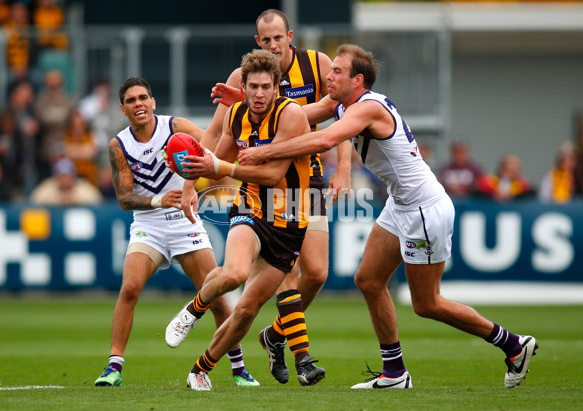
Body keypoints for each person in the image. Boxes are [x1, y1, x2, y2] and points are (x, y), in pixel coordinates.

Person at [237, 44, 538, 389]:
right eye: (329, 69)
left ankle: (513, 345)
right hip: (401, 204)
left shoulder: (367, 108)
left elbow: (325, 139)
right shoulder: (343, 103)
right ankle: (394, 372)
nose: (328, 75)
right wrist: (251, 104)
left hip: (424, 209)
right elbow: (300, 115)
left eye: (337, 71)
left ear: (358, 79)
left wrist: (265, 150)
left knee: (427, 304)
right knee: (367, 280)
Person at [200, 9, 352, 385]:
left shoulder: (318, 64)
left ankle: (273, 336)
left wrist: (344, 168)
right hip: (262, 185)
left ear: (290, 36)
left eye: (277, 38)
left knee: (316, 273)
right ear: (257, 42)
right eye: (265, 40)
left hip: (308, 180)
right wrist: (193, 178)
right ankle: (301, 359)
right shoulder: (244, 76)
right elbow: (221, 130)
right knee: (288, 272)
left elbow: (341, 111)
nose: (272, 45)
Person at [164, 50, 326, 391]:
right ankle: (193, 312)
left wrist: (220, 169)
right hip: (251, 205)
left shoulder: (291, 116)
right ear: (245, 86)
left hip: (292, 218)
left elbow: (272, 173)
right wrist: (188, 176)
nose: (258, 94)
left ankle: (200, 369)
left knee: (247, 310)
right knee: (235, 272)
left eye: (266, 86)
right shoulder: (236, 114)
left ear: (277, 87)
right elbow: (215, 156)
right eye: (252, 86)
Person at [93, 77, 258, 388]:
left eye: (143, 97)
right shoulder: (120, 145)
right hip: (148, 225)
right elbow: (124, 199)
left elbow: (211, 147)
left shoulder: (175, 127)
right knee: (129, 288)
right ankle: (113, 367)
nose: (138, 103)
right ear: (123, 109)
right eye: (131, 100)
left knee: (219, 298)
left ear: (153, 102)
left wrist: (200, 181)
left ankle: (239, 369)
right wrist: (159, 199)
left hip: (185, 222)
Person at [29, 157, 102, 205]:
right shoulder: (49, 185)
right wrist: (59, 199)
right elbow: (34, 200)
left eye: (68, 176)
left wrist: (74, 198)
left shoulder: (82, 186)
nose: (65, 180)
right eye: (62, 176)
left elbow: (97, 200)